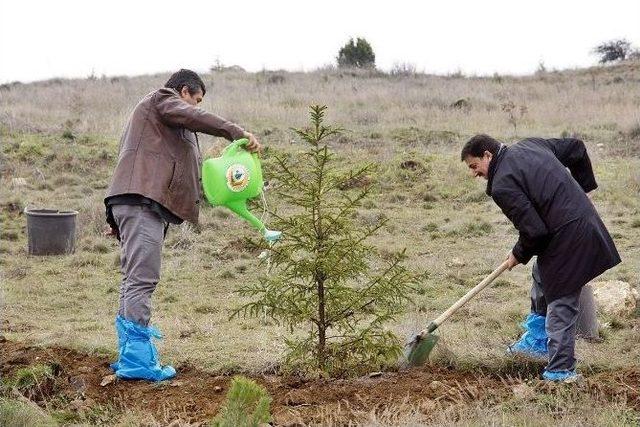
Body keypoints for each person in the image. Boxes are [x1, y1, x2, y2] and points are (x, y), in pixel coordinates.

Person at [104, 69, 261, 381]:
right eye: (197, 100)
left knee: (134, 278)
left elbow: (142, 160)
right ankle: (137, 363)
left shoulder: (154, 121)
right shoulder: (163, 99)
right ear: (184, 91)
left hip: (139, 202)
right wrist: (236, 132)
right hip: (140, 202)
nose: (197, 107)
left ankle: (131, 355)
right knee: (142, 279)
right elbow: (192, 119)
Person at [461, 134, 620, 382]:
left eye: (474, 166)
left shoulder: (502, 184)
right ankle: (537, 340)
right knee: (541, 274)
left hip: (569, 237)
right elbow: (576, 148)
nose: (474, 174)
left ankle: (560, 371)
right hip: (574, 228)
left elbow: (535, 232)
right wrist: (585, 190)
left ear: (487, 155)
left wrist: (518, 252)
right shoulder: (530, 145)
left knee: (561, 301)